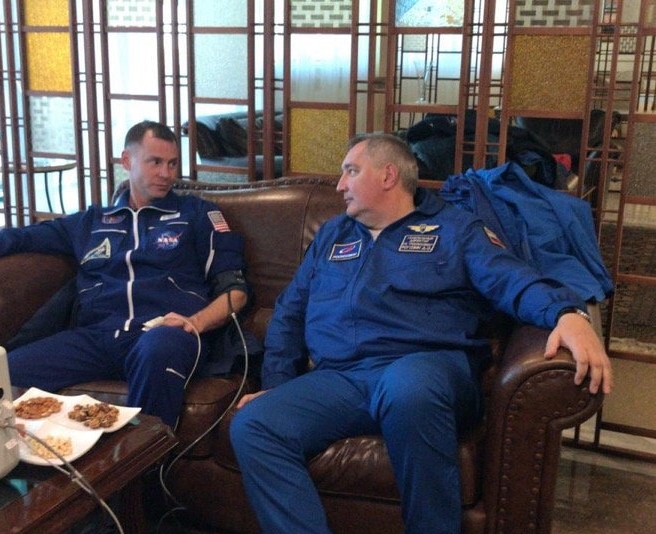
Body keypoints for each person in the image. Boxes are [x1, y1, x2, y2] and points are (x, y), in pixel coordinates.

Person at [229, 133, 613, 534]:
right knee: (255, 423)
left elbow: (512, 280)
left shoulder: (455, 230)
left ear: (388, 175)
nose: (340, 185)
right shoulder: (333, 235)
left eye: (351, 171)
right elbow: (290, 312)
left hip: (430, 369)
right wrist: (278, 383)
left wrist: (567, 314)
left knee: (407, 386)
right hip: (341, 377)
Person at [0, 120, 249, 427]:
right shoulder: (93, 221)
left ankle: (147, 473)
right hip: (96, 337)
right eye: (155, 162)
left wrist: (194, 323)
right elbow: (23, 237)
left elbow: (235, 292)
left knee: (158, 350)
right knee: (2, 373)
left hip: (165, 332)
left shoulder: (196, 213)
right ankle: (24, 469)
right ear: (127, 161)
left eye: (172, 163)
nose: (166, 174)